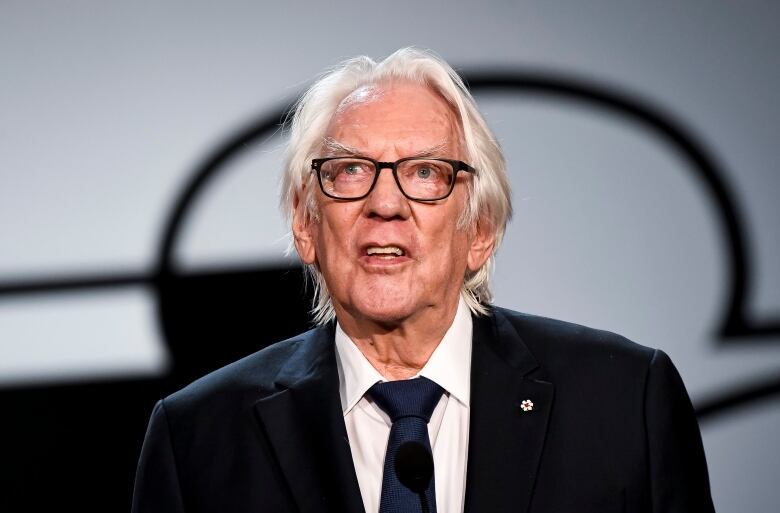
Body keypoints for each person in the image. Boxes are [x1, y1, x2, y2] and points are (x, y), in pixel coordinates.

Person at [132, 48, 715, 513]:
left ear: (480, 229)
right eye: (351, 170)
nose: (385, 203)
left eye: (426, 173)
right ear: (306, 225)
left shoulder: (625, 402)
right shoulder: (198, 440)